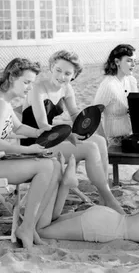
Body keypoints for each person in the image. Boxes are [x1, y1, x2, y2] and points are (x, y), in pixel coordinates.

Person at [21, 50, 124, 215]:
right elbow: (43, 124)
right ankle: (110, 199)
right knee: (90, 149)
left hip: (53, 137)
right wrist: (69, 131)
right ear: (51, 68)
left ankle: (104, 195)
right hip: (35, 142)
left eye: (68, 73)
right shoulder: (37, 89)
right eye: (58, 70)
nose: (62, 76)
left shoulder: (66, 88)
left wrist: (88, 122)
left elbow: (75, 113)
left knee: (98, 141)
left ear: (74, 75)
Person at [0, 58, 63, 250]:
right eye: (26, 82)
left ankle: (30, 225)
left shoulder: (6, 103)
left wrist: (39, 133)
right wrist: (28, 150)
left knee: (54, 165)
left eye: (31, 83)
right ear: (11, 77)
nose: (29, 88)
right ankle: (27, 228)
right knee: (45, 166)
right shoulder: (1, 104)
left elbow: (17, 127)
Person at [93, 44, 139, 185]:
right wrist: (104, 142)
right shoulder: (108, 85)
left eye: (135, 61)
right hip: (114, 139)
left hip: (130, 135)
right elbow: (94, 115)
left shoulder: (130, 80)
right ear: (116, 62)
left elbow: (135, 110)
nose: (133, 64)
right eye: (129, 60)